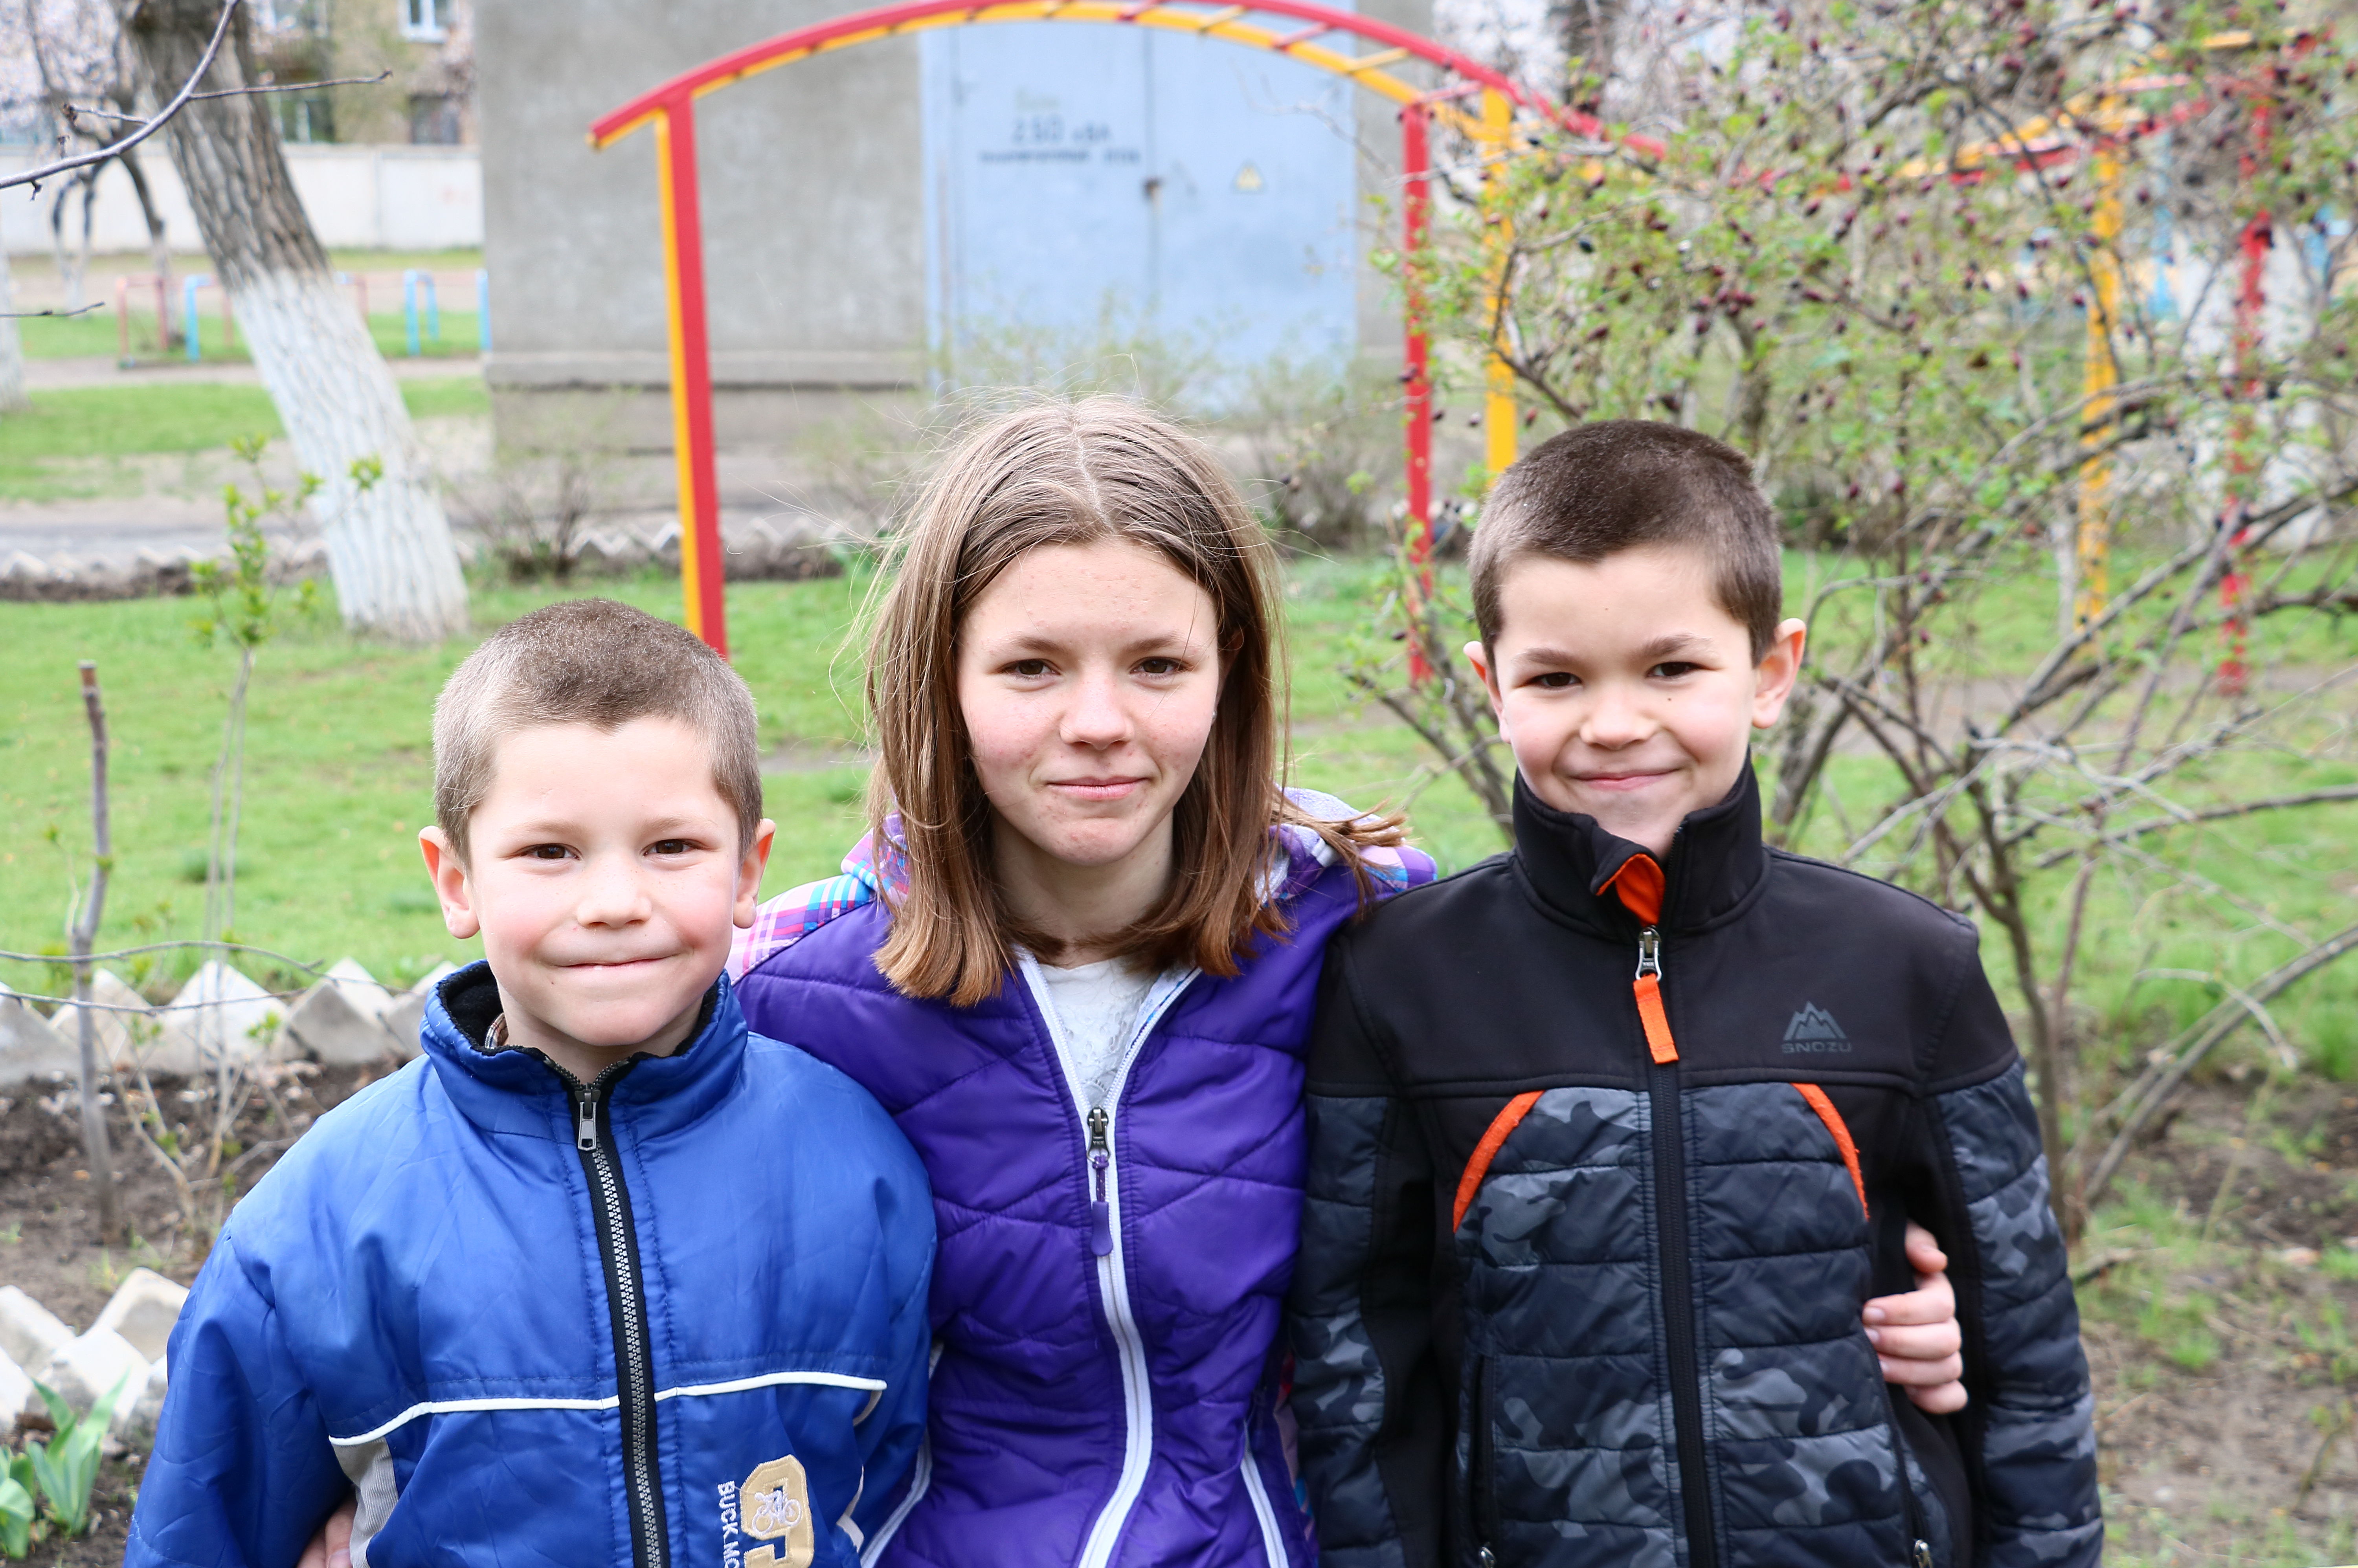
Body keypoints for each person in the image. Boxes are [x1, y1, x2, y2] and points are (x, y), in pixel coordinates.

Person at [720, 400, 1972, 1568]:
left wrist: (1845, 1288)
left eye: (1157, 665)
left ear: (1231, 671)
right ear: (942, 676)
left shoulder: (1372, 935)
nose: (1098, 720)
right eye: (1032, 667)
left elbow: (1609, 1178)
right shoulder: (794, 1000)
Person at [1284, 420, 2103, 1568]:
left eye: (1671, 668)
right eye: (1557, 678)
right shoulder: (1396, 979)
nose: (1617, 723)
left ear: (1771, 671)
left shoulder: (1910, 966)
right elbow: (1359, 1364)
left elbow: (2026, 1354)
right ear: (1490, 685)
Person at [127, 599, 935, 1568]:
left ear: (747, 870)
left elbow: (903, 1497)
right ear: (456, 879)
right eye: (550, 851)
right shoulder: (319, 1221)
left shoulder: (858, 1166)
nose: (614, 902)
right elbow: (202, 1530)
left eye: (671, 846)